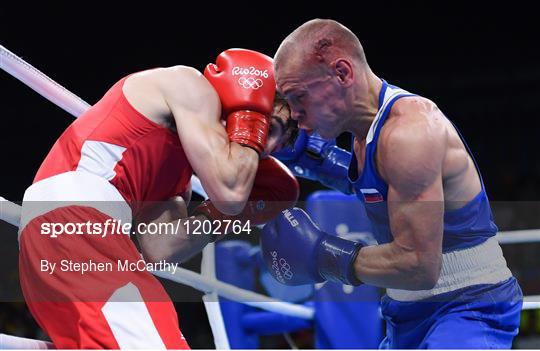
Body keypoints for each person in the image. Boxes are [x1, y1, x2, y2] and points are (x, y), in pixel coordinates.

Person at [262, 19, 523, 349]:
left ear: (342, 73)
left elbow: (419, 266)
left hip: (469, 306)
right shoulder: (365, 135)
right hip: (406, 312)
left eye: (299, 96)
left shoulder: (409, 133)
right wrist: (323, 164)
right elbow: (385, 188)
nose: (296, 114)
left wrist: (323, 255)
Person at [18, 48, 299, 349]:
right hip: (76, 221)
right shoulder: (189, 85)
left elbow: (162, 247)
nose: (262, 149)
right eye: (269, 128)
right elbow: (230, 191)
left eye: (274, 146)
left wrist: (222, 217)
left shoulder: (178, 166)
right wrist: (250, 125)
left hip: (60, 237)